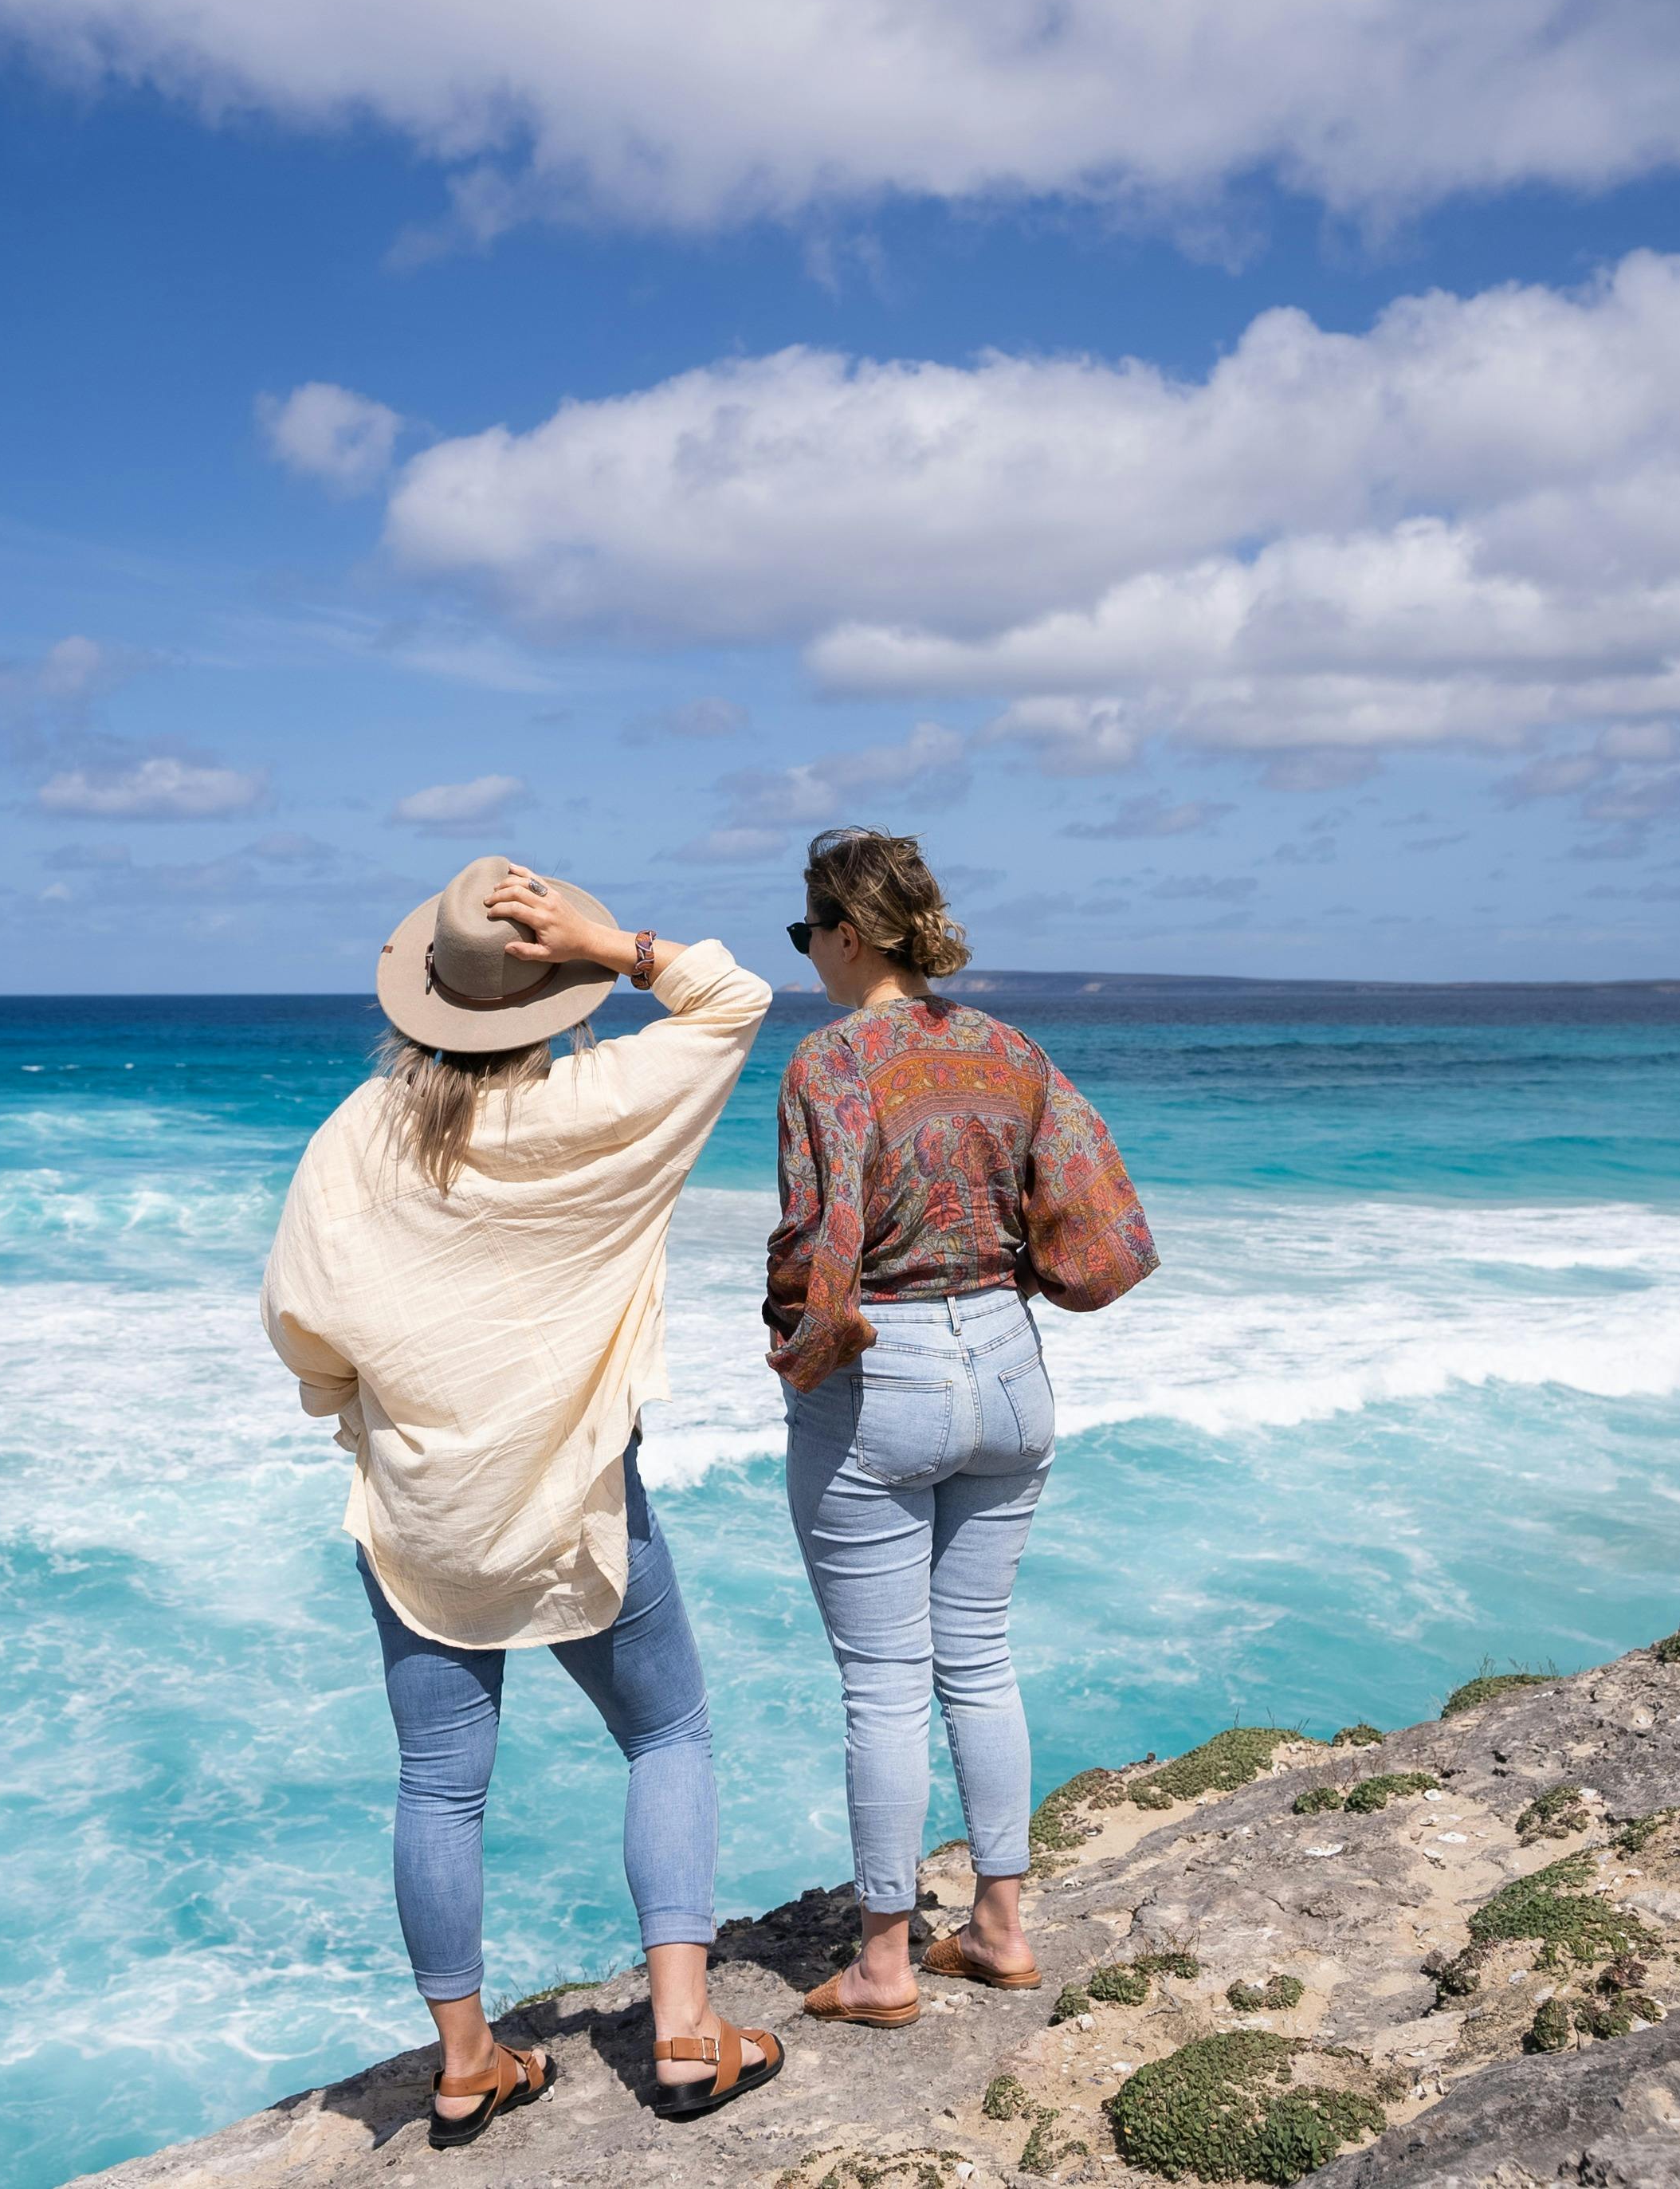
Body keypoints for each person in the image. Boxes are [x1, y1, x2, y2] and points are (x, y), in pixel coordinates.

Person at [262, 854, 781, 2148]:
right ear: (551, 997)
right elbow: (732, 1000)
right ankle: (682, 2033)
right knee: (669, 1737)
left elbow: (301, 1328)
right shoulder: (598, 1107)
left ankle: (465, 2063)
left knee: (439, 1784)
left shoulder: (351, 1136)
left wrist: (375, 1409)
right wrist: (607, 942)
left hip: (423, 1505)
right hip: (579, 1493)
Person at [767, 825, 1157, 2030]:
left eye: (804, 934)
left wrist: (798, 1354)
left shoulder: (827, 1062)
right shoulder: (1008, 1046)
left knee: (884, 1687)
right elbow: (1085, 1207)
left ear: (844, 933)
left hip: (887, 1369)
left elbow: (810, 1245)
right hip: (1007, 1359)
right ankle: (998, 1928)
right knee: (978, 1659)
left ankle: (884, 1965)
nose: (806, 957)